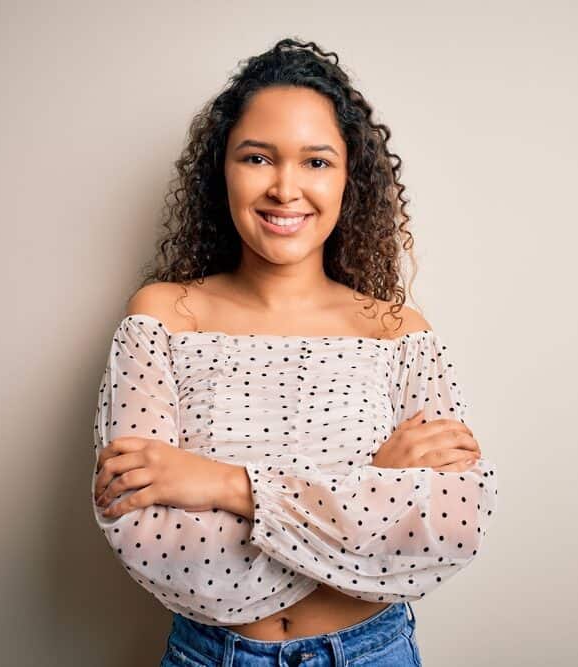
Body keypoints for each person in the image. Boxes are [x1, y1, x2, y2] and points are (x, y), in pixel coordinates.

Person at [91, 37, 498, 666]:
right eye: (258, 158)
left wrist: (229, 486)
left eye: (316, 162)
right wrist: (372, 489)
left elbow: (452, 525)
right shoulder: (161, 319)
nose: (286, 188)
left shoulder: (397, 331)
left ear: (348, 179)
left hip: (375, 654)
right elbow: (152, 539)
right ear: (221, 168)